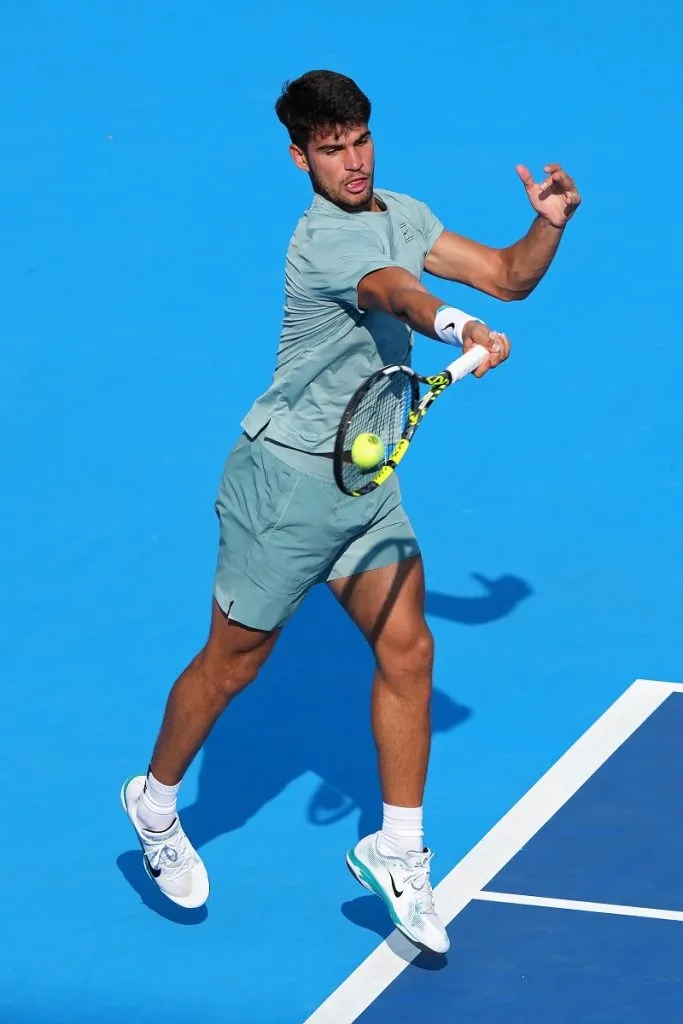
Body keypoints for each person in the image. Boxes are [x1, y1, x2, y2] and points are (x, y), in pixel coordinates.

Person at [121, 70, 581, 954]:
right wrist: (456, 329)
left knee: (410, 646)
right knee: (231, 669)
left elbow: (508, 279)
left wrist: (546, 227)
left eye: (359, 139)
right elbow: (394, 294)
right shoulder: (321, 243)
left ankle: (397, 848)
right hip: (285, 489)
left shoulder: (400, 212)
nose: (352, 161)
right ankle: (154, 800)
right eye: (330, 149)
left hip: (364, 481)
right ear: (300, 158)